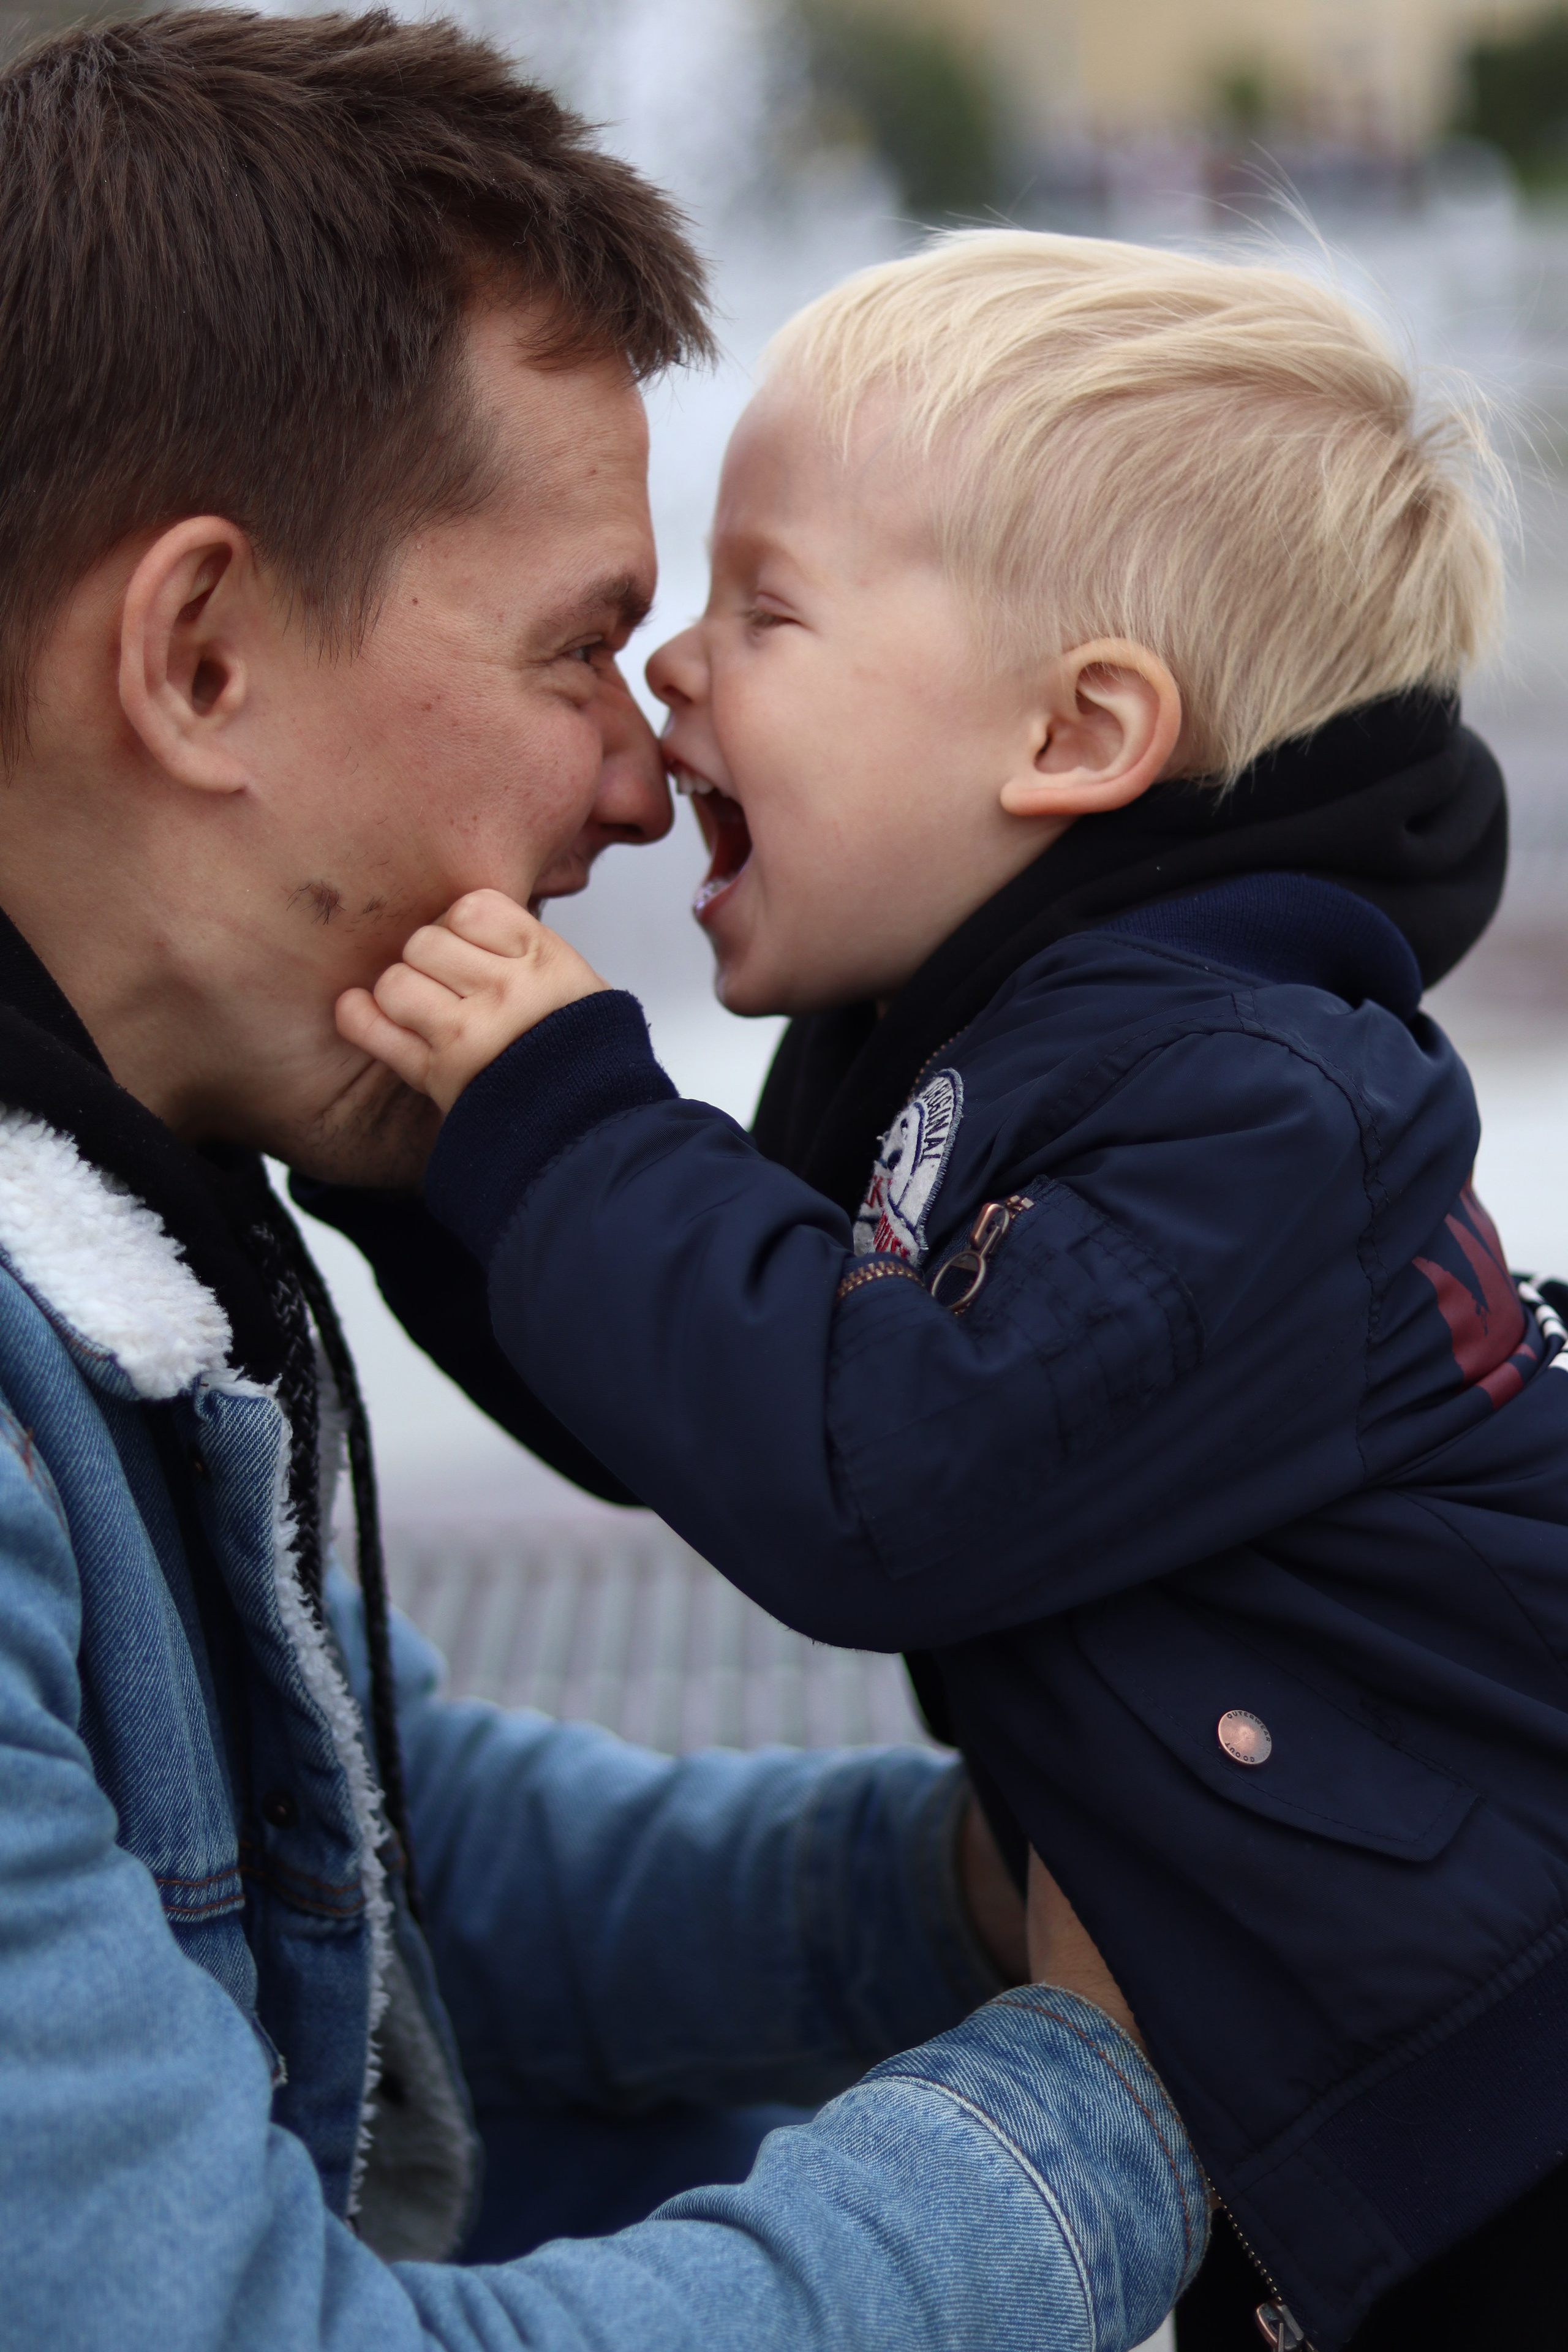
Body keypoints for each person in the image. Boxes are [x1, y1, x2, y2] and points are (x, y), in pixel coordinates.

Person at [0, 21, 1211, 2351]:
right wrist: (1117, 2102)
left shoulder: (131, 1202)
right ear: (200, 657)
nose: (643, 796)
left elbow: (397, 1848)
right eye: (582, 650)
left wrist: (997, 1888)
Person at [342, 232, 1568, 2352]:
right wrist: (438, 1181)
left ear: (1077, 730)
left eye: (767, 607)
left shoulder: (1240, 1104)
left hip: (1486, 2082)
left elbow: (869, 1482)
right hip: (1341, 2018)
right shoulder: (993, 1036)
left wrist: (554, 1109)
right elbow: (720, 1399)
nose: (673, 678)